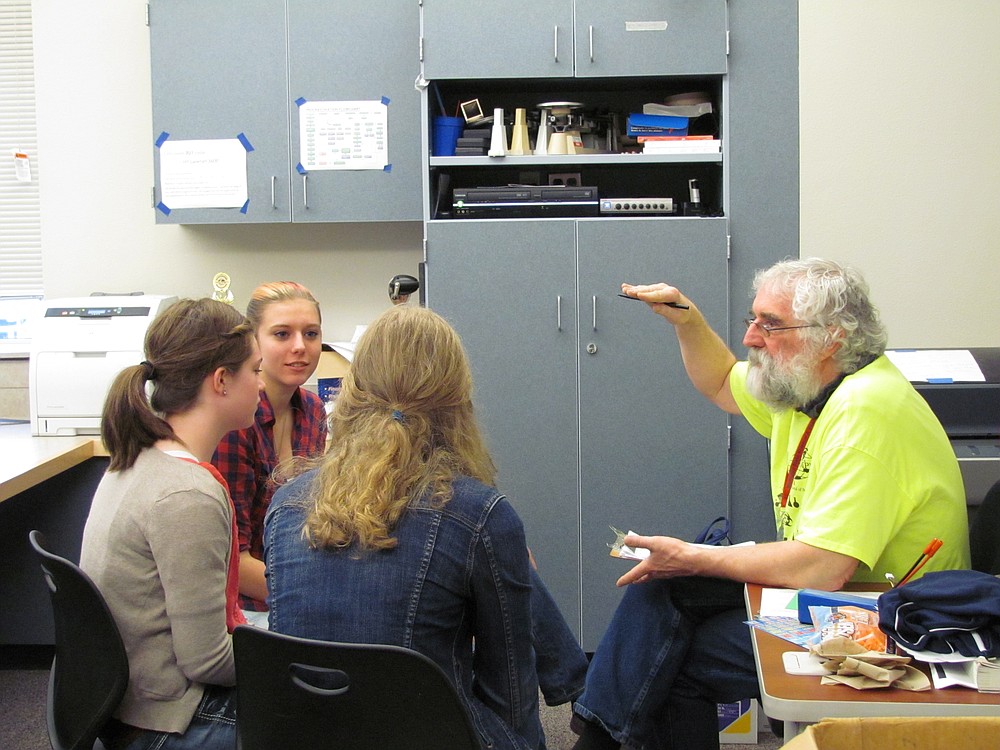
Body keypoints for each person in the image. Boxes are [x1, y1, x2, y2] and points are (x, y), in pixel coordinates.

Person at [570, 257, 970, 750]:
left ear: (833, 336)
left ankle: (595, 737)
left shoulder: (866, 412)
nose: (751, 338)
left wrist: (694, 556)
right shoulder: (808, 385)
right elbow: (721, 383)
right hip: (835, 592)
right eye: (753, 320)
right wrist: (688, 319)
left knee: (676, 655)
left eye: (771, 325)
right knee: (664, 592)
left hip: (892, 617)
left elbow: (822, 569)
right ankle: (596, 734)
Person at [263, 305, 586, 750]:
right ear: (456, 399)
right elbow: (508, 693)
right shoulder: (479, 513)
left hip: (307, 735)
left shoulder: (286, 504)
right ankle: (589, 703)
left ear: (355, 390)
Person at [80, 298, 261, 750]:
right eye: (255, 371)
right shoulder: (187, 494)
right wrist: (293, 657)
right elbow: (208, 660)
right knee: (332, 715)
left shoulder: (139, 457)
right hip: (165, 721)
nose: (262, 385)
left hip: (133, 702)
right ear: (221, 380)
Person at [212, 281, 327, 621]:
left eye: (311, 334)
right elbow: (233, 561)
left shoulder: (313, 410)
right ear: (254, 342)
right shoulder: (237, 422)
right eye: (281, 334)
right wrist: (315, 594)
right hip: (246, 607)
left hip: (292, 583)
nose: (299, 347)